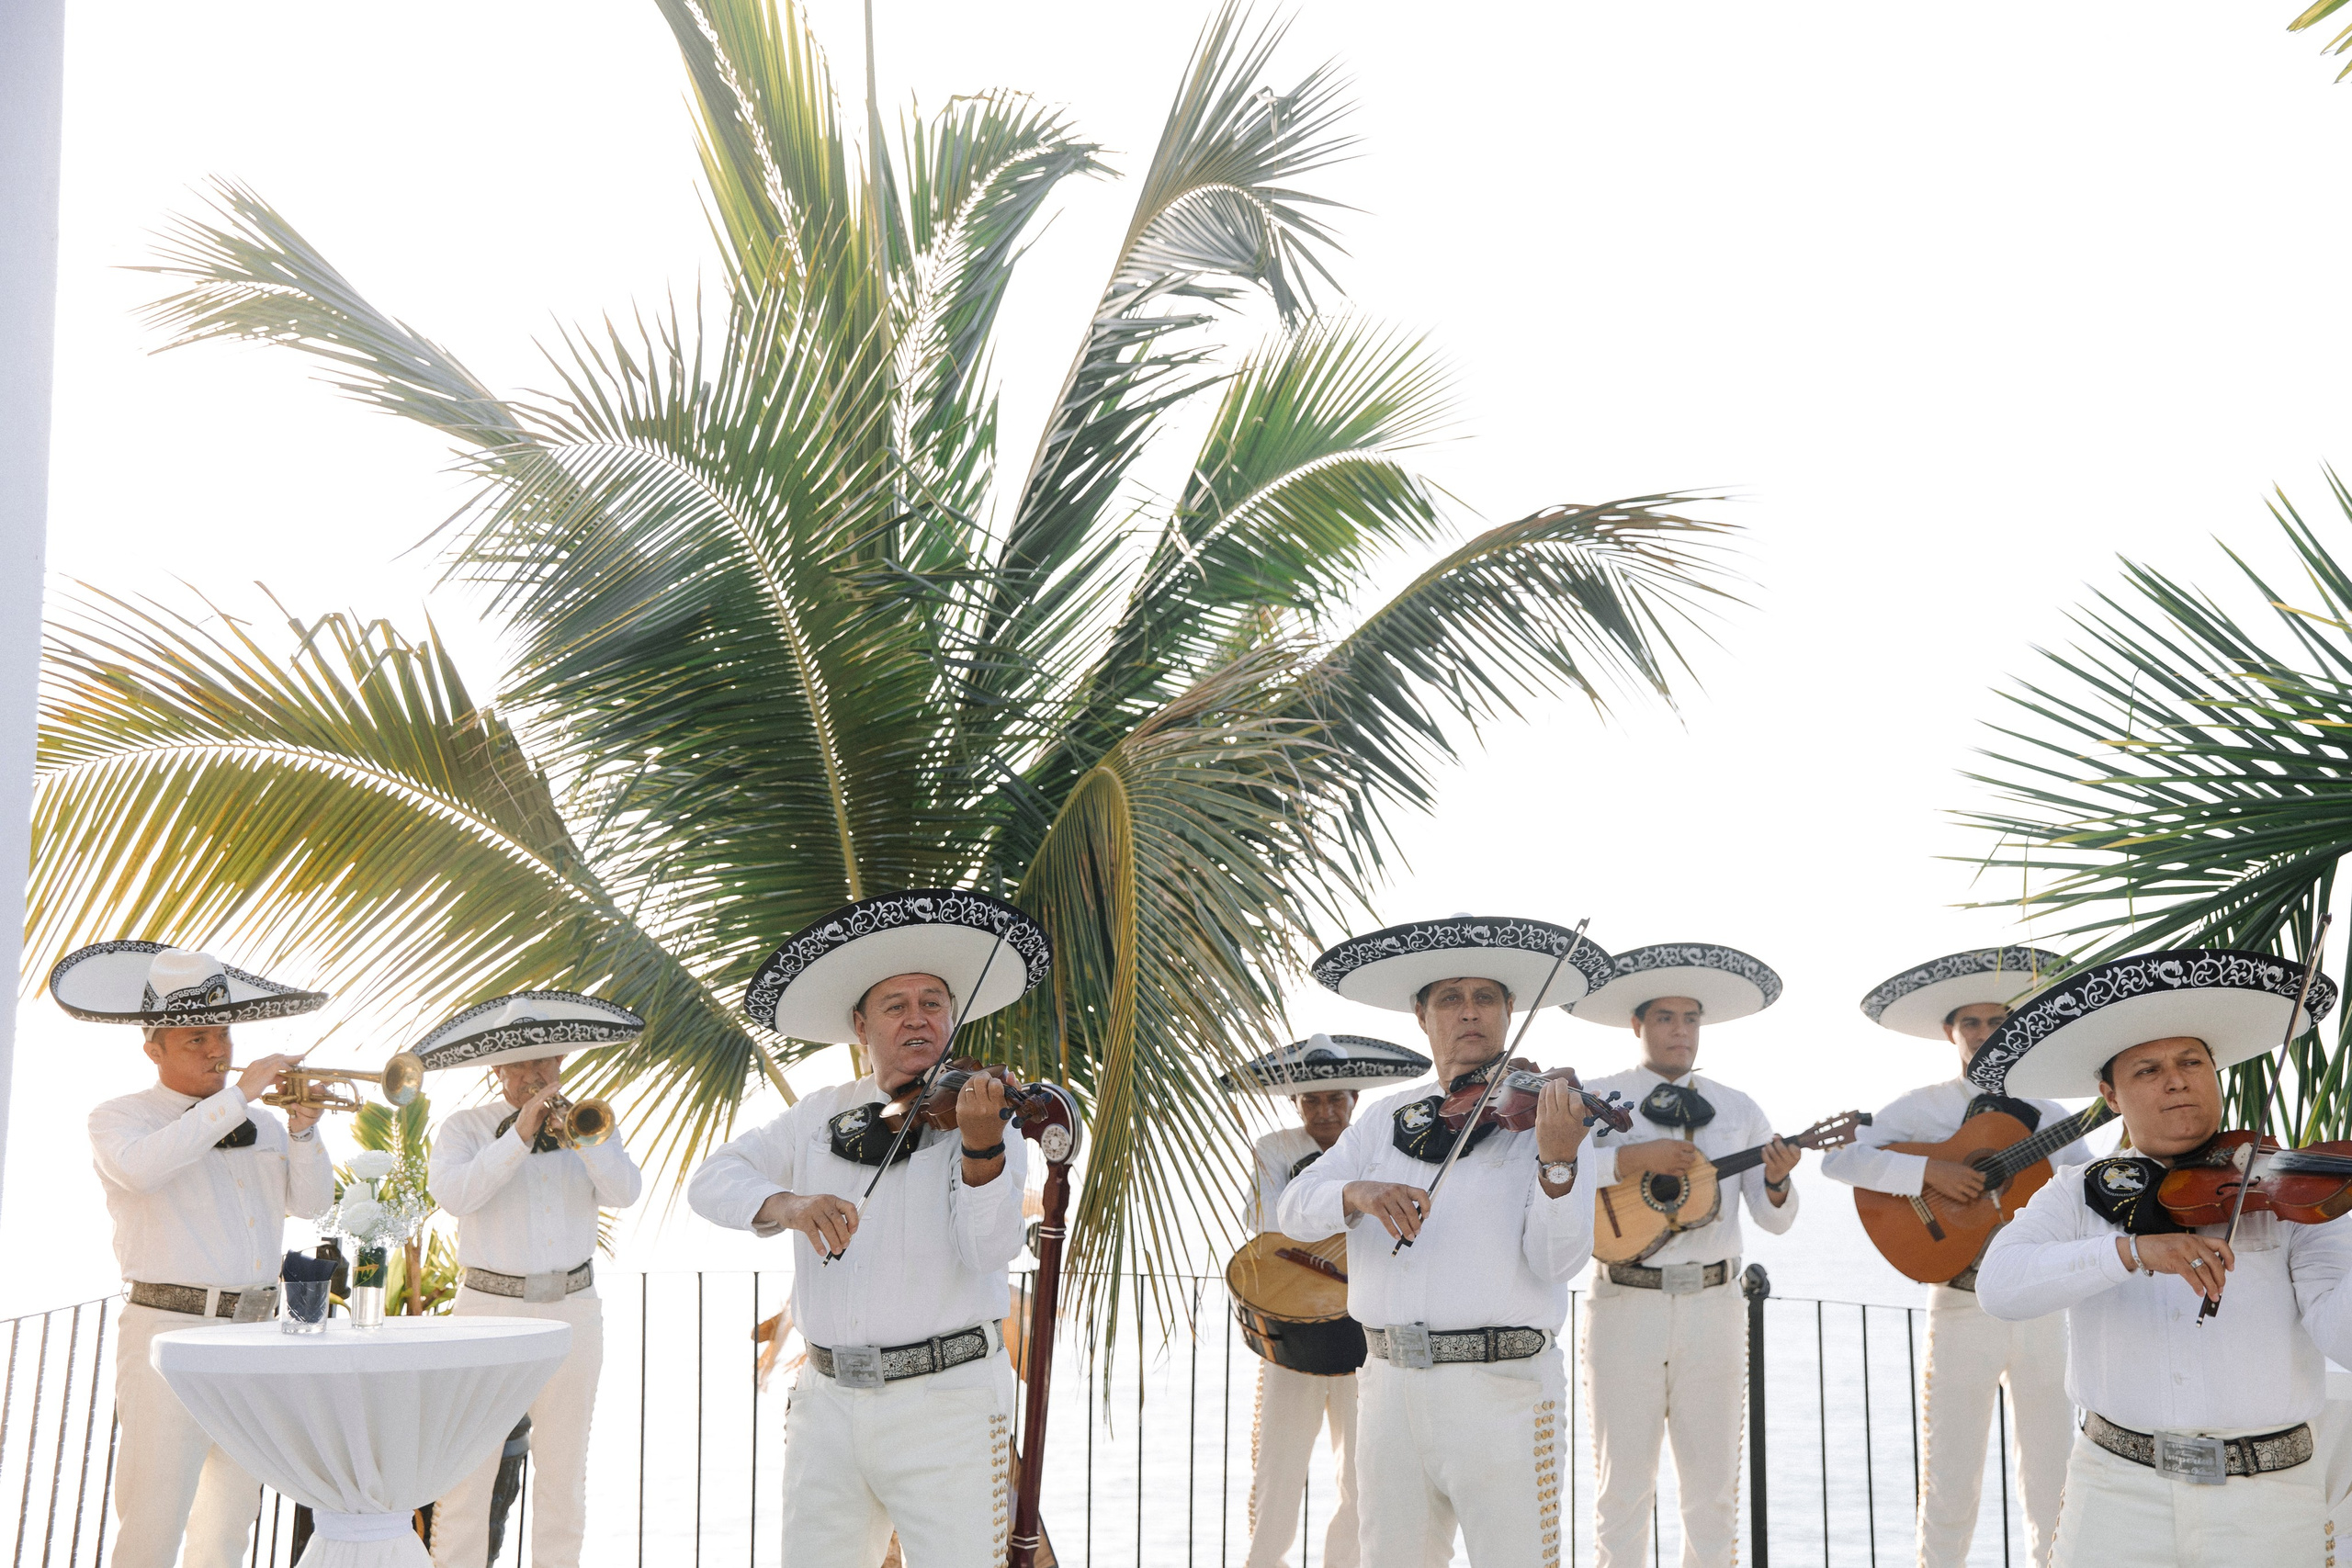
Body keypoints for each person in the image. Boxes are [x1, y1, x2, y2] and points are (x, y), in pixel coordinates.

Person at [689, 891, 1050, 1568]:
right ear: (862, 1024)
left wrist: (980, 1148)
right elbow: (712, 1179)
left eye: (933, 1002)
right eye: (896, 1005)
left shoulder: (987, 1114)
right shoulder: (817, 1114)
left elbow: (991, 1246)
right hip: (826, 1405)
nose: (918, 1019)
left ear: (952, 1016)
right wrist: (788, 1204)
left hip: (946, 1406)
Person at [1973, 946, 2352, 1566]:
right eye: (2147, 1069)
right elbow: (2001, 1285)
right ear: (2111, 1094)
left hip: (2269, 1502)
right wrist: (2128, 1251)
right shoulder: (2077, 1191)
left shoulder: (2291, 1191)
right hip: (2116, 1492)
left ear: (2215, 1072)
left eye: (2191, 1061)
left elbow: (2344, 1335)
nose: (2175, 1078)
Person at [1283, 913, 1607, 1565]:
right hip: (1389, 1388)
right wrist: (1358, 1192)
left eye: (1485, 996)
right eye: (1450, 998)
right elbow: (1293, 1208)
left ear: (1511, 1010)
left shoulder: (1550, 1115)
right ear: (1422, 1015)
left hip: (1504, 1389)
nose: (1469, 1012)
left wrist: (1557, 1163)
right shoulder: (1380, 1118)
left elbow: (1559, 1259)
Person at [57, 941, 335, 1568]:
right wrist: (237, 1097)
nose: (218, 1050)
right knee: (152, 1524)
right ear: (151, 1047)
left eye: (222, 1034)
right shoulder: (118, 1118)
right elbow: (142, 1170)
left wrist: (303, 1128)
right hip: (168, 1336)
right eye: (196, 1039)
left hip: (254, 1336)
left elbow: (313, 1203)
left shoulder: (263, 1125)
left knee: (229, 1527)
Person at [1826, 947, 2088, 1568]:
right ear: (1951, 1032)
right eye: (1970, 1022)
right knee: (1948, 1477)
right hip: (1960, 1300)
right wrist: (1930, 1170)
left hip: (2039, 1307)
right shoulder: (1925, 1106)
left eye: (1996, 1020)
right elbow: (1842, 1160)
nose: (1983, 1033)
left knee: (2053, 1479)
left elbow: (2091, 1189)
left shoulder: (2049, 1112)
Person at [1568, 943, 1797, 1568]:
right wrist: (1629, 1159)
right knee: (1621, 1489)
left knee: (1712, 1492)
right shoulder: (1595, 1098)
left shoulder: (1740, 1106)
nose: (1680, 1030)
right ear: (1636, 1024)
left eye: (1691, 1017)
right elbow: (1552, 1174)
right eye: (1665, 1017)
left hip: (1712, 1307)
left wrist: (1777, 1179)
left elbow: (1773, 1215)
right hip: (1623, 1300)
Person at [419, 991, 648, 1568]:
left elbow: (624, 1192)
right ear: (496, 1070)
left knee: (564, 1473)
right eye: (519, 1063)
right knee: (468, 1471)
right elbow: (454, 1196)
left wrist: (587, 1142)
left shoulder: (592, 1123)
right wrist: (518, 1137)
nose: (533, 1074)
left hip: (573, 1311)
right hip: (486, 1312)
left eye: (544, 1062)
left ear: (561, 1065)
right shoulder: (465, 1128)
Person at [1222, 1032, 1432, 1568]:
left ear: (1354, 1101)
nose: (1324, 1110)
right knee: (1276, 1469)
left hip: (1360, 1336)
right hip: (1291, 1333)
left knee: (1361, 1476)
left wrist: (1325, 1230)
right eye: (1312, 1099)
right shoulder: (1274, 1149)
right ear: (1296, 1103)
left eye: (1335, 1098)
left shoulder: (1378, 1148)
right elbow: (1269, 1231)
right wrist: (1346, 1222)